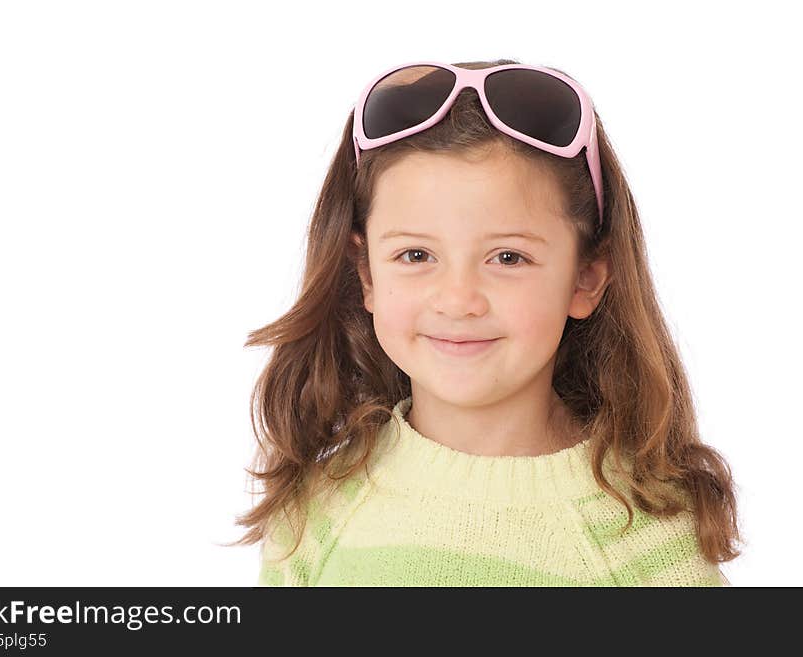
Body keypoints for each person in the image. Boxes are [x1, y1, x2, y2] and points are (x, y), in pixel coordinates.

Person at [231, 58, 743, 586]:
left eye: (507, 258)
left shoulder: (650, 540)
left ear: (584, 278)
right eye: (415, 255)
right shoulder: (316, 511)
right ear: (366, 275)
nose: (458, 300)